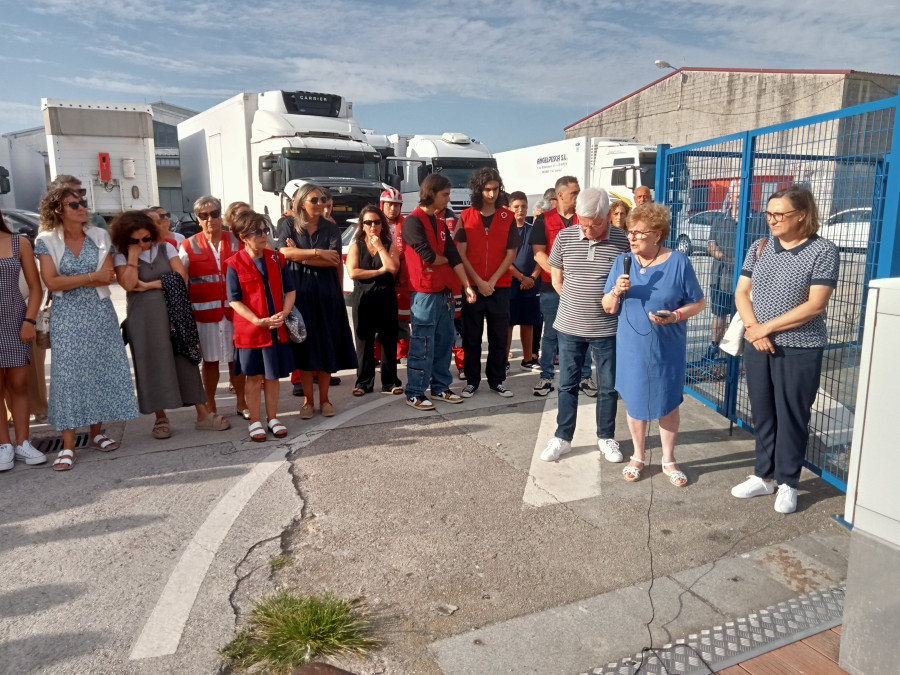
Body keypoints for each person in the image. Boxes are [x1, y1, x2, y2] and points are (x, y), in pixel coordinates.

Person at [730, 186, 839, 514]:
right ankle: (764, 475)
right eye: (769, 213)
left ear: (802, 214)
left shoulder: (823, 251)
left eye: (780, 214)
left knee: (792, 415)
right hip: (758, 345)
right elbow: (742, 292)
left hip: (799, 348)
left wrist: (768, 327)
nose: (772, 220)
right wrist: (753, 328)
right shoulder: (760, 246)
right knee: (762, 412)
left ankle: (788, 482)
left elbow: (815, 304)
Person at [35, 187, 139, 471]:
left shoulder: (99, 236)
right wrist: (89, 277)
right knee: (67, 377)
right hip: (66, 316)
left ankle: (96, 434)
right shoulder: (46, 240)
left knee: (99, 371)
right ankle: (68, 445)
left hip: (99, 312)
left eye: (82, 203)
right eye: (74, 204)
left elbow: (106, 278)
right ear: (59, 210)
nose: (82, 207)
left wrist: (76, 278)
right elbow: (51, 282)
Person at [603, 203, 706, 487]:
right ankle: (638, 456)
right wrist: (616, 290)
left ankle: (668, 459)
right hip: (632, 346)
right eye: (630, 232)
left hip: (667, 346)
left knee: (668, 401)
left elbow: (698, 302)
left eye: (638, 233)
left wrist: (675, 316)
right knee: (635, 401)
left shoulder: (679, 262)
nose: (631, 238)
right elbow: (608, 307)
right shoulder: (621, 262)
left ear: (657, 234)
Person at [112, 211, 229, 439]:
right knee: (150, 365)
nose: (143, 244)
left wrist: (146, 285)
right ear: (126, 238)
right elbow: (127, 283)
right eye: (136, 240)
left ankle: (203, 414)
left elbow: (180, 277)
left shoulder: (167, 248)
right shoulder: (121, 255)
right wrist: (133, 255)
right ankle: (160, 418)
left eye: (146, 238)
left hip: (174, 315)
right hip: (143, 319)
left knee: (185, 359)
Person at [539, 188, 630, 463]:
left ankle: (606, 437)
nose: (588, 230)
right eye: (584, 223)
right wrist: (572, 301)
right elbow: (556, 277)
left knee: (607, 386)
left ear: (606, 215)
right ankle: (562, 437)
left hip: (607, 329)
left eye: (595, 224)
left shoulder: (621, 240)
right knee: (567, 384)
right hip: (569, 326)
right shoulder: (565, 237)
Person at [276, 183, 357, 419]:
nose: (322, 204)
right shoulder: (289, 224)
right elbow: (283, 252)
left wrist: (301, 256)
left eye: (323, 200)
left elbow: (332, 261)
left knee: (326, 346)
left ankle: (325, 399)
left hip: (327, 294)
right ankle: (307, 401)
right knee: (304, 348)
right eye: (315, 200)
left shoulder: (330, 228)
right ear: (302, 202)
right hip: (298, 295)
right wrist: (316, 253)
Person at [401, 174, 475, 410]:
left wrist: (466, 285)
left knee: (444, 342)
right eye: (445, 195)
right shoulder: (413, 221)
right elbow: (428, 256)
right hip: (425, 293)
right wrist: (440, 262)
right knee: (422, 344)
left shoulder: (440, 223)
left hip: (445, 293)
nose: (448, 199)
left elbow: (452, 257)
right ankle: (414, 391)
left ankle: (440, 386)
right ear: (431, 193)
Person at [227, 211, 297, 440]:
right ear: (242, 236)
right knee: (254, 377)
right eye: (255, 232)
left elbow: (290, 290)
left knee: (273, 376)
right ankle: (255, 420)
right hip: (250, 331)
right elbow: (234, 300)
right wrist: (257, 320)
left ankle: (273, 417)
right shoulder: (234, 263)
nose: (262, 235)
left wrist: (284, 314)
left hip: (276, 328)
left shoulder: (277, 258)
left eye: (264, 230)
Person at [180, 196, 249, 419]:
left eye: (214, 214)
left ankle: (241, 402)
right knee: (210, 362)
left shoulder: (238, 241)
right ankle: (211, 405)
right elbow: (181, 282)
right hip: (204, 316)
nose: (210, 219)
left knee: (235, 360)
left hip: (235, 313)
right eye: (204, 216)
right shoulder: (187, 246)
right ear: (198, 219)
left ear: (222, 215)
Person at [455, 168, 519, 398]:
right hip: (473, 287)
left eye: (495, 189)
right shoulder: (465, 216)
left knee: (499, 336)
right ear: (478, 190)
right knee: (471, 337)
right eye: (487, 189)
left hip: (499, 286)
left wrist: (491, 281)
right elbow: (460, 253)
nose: (491, 194)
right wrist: (477, 282)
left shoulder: (507, 216)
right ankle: (472, 380)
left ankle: (497, 380)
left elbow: (510, 253)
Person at [530, 176, 596, 397]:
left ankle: (585, 376)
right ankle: (546, 376)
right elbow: (539, 254)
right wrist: (559, 275)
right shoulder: (543, 220)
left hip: (581, 288)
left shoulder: (585, 219)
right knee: (551, 333)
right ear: (560, 195)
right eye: (574, 193)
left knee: (584, 332)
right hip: (551, 288)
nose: (578, 196)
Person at [0, 208, 46, 470]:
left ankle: (23, 443)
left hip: (16, 321)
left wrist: (29, 321)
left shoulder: (20, 242)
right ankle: (4, 445)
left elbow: (36, 287)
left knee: (19, 383)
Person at [347, 205, 402, 395]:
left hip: (385, 296)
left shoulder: (389, 246)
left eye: (377, 222)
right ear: (362, 225)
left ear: (382, 224)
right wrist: (379, 272)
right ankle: (363, 383)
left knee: (388, 341)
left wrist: (379, 246)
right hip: (363, 298)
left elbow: (392, 268)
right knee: (364, 342)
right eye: (368, 222)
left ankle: (390, 382)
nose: (372, 226)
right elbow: (353, 272)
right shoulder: (356, 246)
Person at [507, 192, 542, 372]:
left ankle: (527, 360)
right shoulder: (505, 230)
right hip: (511, 282)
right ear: (509, 208)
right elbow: (504, 260)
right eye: (517, 206)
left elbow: (540, 256)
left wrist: (532, 278)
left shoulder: (533, 230)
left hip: (531, 282)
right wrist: (520, 277)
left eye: (524, 206)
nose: (521, 210)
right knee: (508, 323)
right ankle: (503, 361)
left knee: (528, 322)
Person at [380, 188, 411, 361]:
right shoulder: (373, 223)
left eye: (396, 205)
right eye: (389, 205)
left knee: (402, 317)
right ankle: (377, 353)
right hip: (380, 274)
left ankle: (403, 352)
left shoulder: (407, 224)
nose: (393, 208)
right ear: (382, 205)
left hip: (402, 278)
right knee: (378, 318)